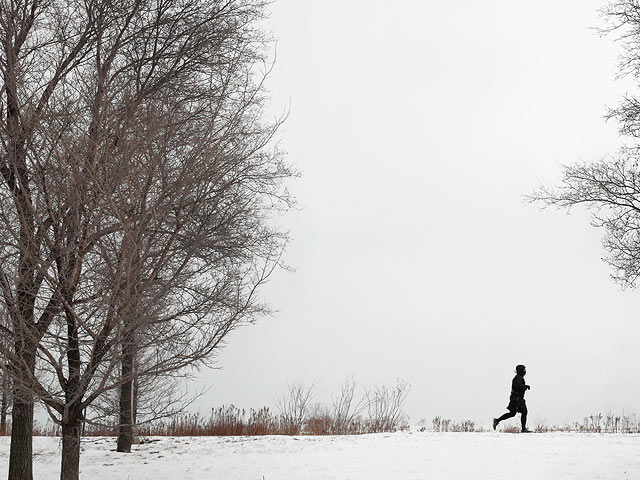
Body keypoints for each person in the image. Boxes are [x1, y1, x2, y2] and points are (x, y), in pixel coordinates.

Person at [493, 364, 532, 433]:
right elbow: (518, 386)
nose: (525, 371)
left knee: (524, 412)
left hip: (519, 399)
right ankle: (497, 420)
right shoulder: (517, 378)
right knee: (512, 413)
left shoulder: (519, 377)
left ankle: (523, 429)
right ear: (521, 371)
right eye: (524, 370)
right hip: (515, 399)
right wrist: (525, 386)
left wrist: (524, 387)